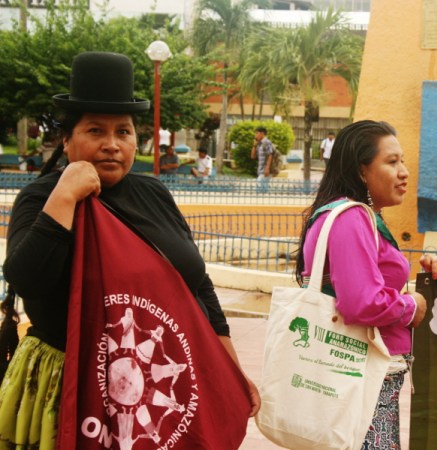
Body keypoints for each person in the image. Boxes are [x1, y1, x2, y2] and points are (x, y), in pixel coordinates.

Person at [0, 51, 260, 448]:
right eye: (95, 131)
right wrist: (65, 195)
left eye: (123, 132)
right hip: (67, 380)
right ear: (66, 140)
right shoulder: (42, 197)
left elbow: (198, 285)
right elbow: (27, 278)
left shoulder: (153, 193)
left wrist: (231, 368)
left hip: (152, 382)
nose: (111, 145)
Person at [294, 120, 437, 449]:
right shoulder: (351, 218)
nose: (404, 172)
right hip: (360, 378)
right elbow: (361, 302)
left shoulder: (355, 216)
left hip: (360, 376)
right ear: (361, 170)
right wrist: (412, 305)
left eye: (402, 161)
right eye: (392, 162)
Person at [250, 126, 273, 192]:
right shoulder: (259, 144)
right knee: (262, 189)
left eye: (257, 133)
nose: (255, 135)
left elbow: (270, 155)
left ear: (262, 133)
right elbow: (253, 156)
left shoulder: (267, 142)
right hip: (260, 170)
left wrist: (267, 168)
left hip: (265, 170)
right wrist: (254, 145)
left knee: (259, 187)